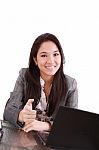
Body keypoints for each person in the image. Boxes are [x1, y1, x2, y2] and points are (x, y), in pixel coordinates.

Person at [3, 33, 78, 132]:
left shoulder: (70, 84)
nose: (50, 61)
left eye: (55, 54)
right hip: (25, 138)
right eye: (43, 55)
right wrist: (21, 115)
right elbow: (8, 111)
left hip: (53, 142)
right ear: (35, 60)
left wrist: (45, 126)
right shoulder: (24, 76)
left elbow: (71, 123)